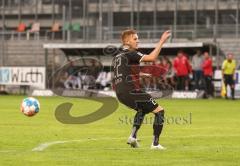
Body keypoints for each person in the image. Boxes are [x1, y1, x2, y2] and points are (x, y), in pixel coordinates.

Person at [112, 29, 171, 149]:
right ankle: (155, 144)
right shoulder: (131, 53)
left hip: (120, 93)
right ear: (127, 41)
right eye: (135, 39)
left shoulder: (118, 56)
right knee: (160, 111)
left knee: (142, 110)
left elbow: (124, 72)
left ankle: (133, 136)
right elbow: (152, 58)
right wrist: (162, 41)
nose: (138, 41)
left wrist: (141, 74)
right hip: (132, 91)